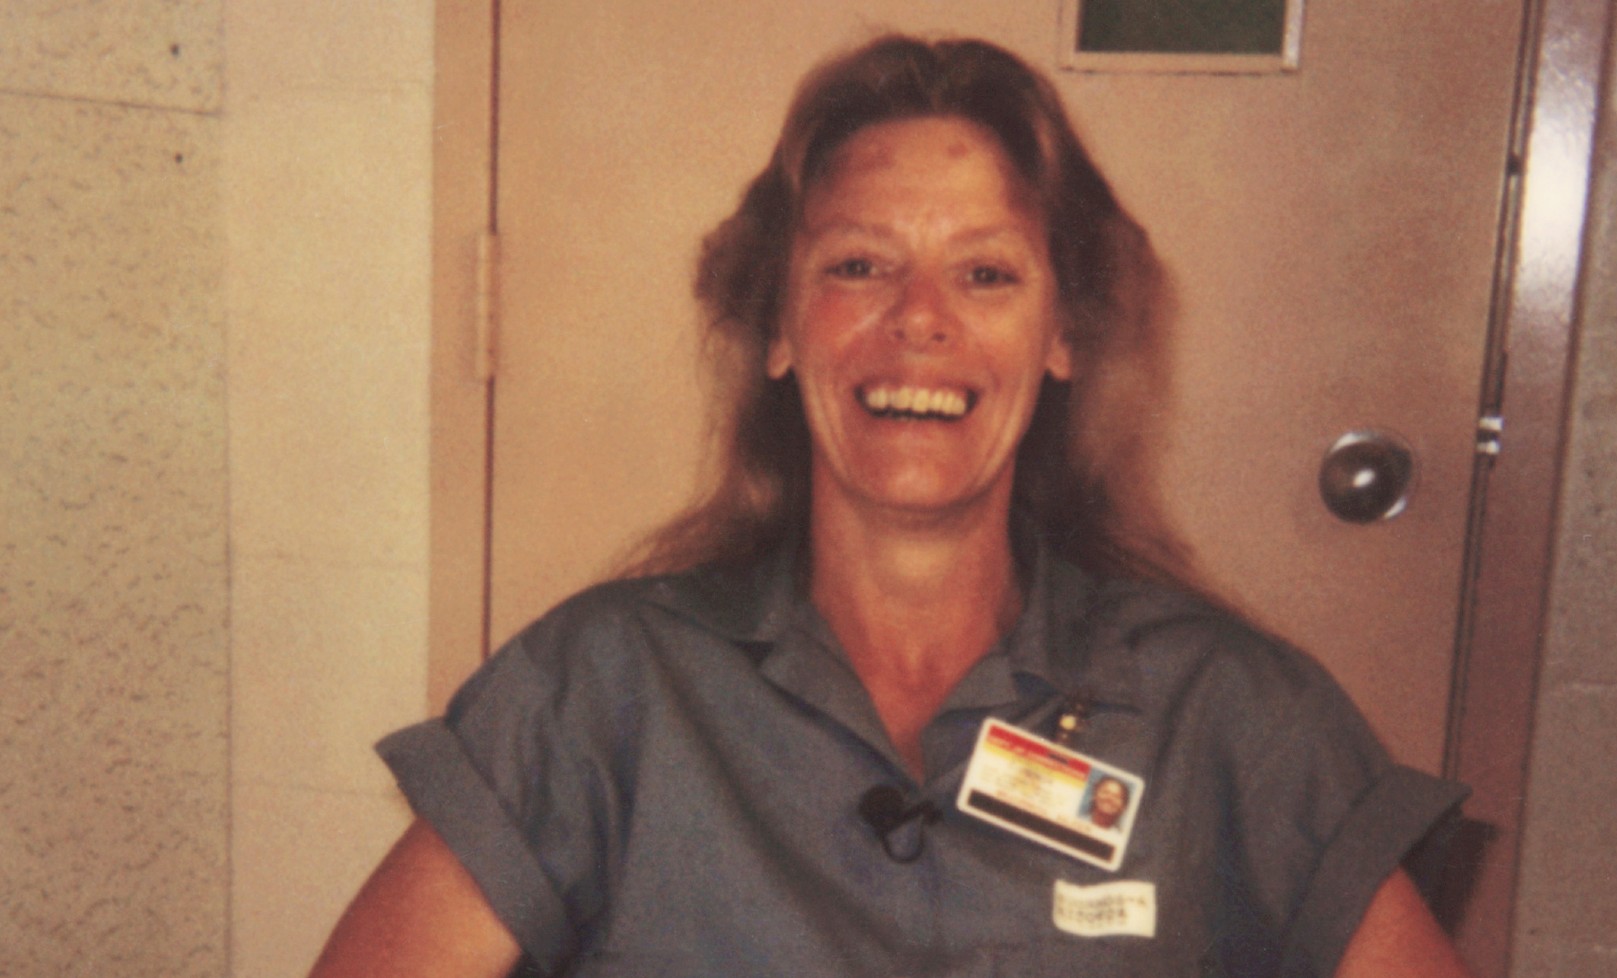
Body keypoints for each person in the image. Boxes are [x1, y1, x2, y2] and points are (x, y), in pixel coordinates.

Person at [309, 34, 1475, 978]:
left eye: (985, 273)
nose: (919, 319)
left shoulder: (1229, 714)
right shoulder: (602, 690)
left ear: (1062, 333)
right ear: (777, 324)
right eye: (859, 265)